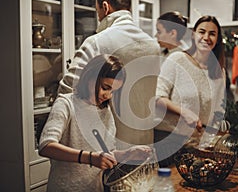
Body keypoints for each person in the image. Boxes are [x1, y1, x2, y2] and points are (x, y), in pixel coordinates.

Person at [58, 0, 160, 149]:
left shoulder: (97, 42)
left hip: (107, 144)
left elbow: (68, 90)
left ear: (105, 7)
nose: (98, 16)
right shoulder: (153, 45)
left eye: (97, 10)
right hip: (145, 141)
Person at [39, 54, 153, 192]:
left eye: (113, 91)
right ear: (89, 76)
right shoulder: (66, 104)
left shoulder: (105, 111)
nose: (108, 95)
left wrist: (126, 154)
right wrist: (89, 158)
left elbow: (106, 153)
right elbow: (46, 146)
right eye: (105, 87)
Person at [154, 15, 226, 167]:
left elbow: (218, 111)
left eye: (212, 34)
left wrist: (213, 138)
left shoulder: (219, 72)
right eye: (202, 32)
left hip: (197, 146)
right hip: (168, 141)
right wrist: (184, 112)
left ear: (218, 39)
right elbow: (157, 98)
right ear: (194, 34)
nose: (206, 37)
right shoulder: (177, 59)